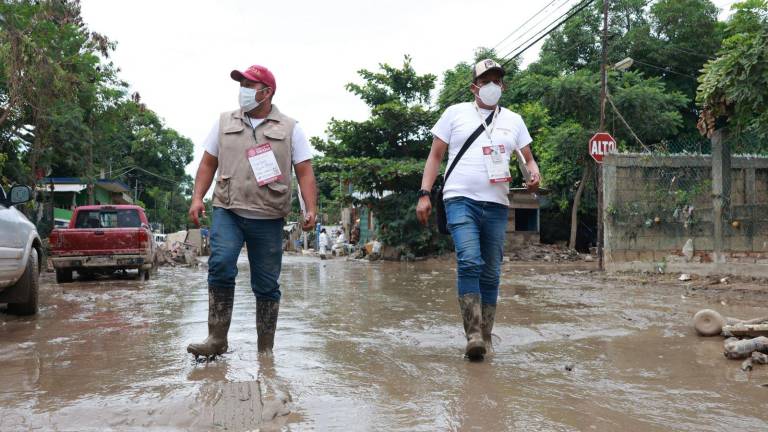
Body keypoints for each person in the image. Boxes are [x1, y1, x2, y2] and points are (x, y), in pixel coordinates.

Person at [187, 64, 317, 359]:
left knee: (267, 284)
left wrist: (311, 209)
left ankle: (265, 350)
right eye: (241, 84)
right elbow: (208, 163)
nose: (243, 91)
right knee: (220, 264)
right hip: (228, 208)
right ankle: (216, 338)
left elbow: (305, 172)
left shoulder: (290, 128)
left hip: (269, 215)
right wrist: (197, 198)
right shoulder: (222, 122)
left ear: (267, 92)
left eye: (249, 85)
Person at [416, 59, 541, 360]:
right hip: (459, 199)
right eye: (486, 80)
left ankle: (485, 335)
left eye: (497, 80)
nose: (492, 85)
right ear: (474, 86)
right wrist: (424, 193)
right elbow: (435, 157)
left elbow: (529, 159)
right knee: (470, 260)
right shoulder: (454, 114)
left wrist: (534, 175)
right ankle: (472, 334)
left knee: (491, 272)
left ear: (503, 86)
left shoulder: (514, 120)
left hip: (497, 204)